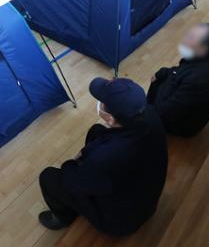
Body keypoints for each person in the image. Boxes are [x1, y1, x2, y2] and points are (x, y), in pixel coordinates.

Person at [38, 78, 167, 235]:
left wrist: (70, 163)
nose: (100, 103)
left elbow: (74, 182)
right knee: (96, 131)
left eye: (102, 101)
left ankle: (64, 216)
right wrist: (86, 154)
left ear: (111, 118)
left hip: (120, 221)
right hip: (143, 195)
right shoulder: (150, 114)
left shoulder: (107, 158)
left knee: (48, 177)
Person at [147, 23, 209, 137]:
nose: (184, 39)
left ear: (203, 47)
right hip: (182, 104)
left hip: (180, 126)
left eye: (190, 38)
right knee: (158, 78)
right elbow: (181, 71)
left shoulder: (201, 80)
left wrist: (143, 114)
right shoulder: (208, 57)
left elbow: (168, 112)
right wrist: (164, 72)